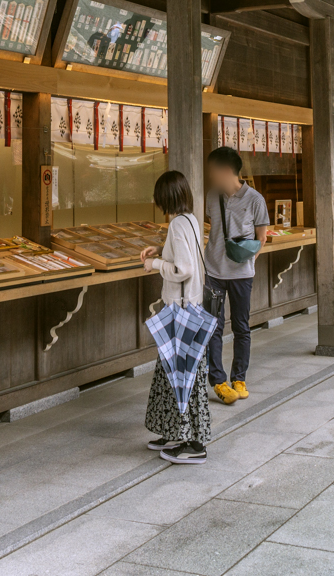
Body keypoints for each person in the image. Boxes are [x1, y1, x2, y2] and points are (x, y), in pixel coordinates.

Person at [140, 170, 211, 464]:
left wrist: (154, 262)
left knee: (184, 377)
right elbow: (190, 257)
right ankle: (171, 430)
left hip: (181, 311)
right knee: (173, 375)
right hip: (191, 307)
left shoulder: (178, 225)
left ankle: (195, 445)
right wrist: (161, 249)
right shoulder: (190, 220)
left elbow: (184, 269)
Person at [202, 146, 268, 405]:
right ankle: (218, 381)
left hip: (242, 275)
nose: (211, 176)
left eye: (213, 171)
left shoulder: (255, 199)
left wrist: (247, 261)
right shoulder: (211, 196)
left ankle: (239, 377)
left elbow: (262, 238)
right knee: (213, 328)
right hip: (214, 272)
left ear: (226, 170)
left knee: (241, 326)